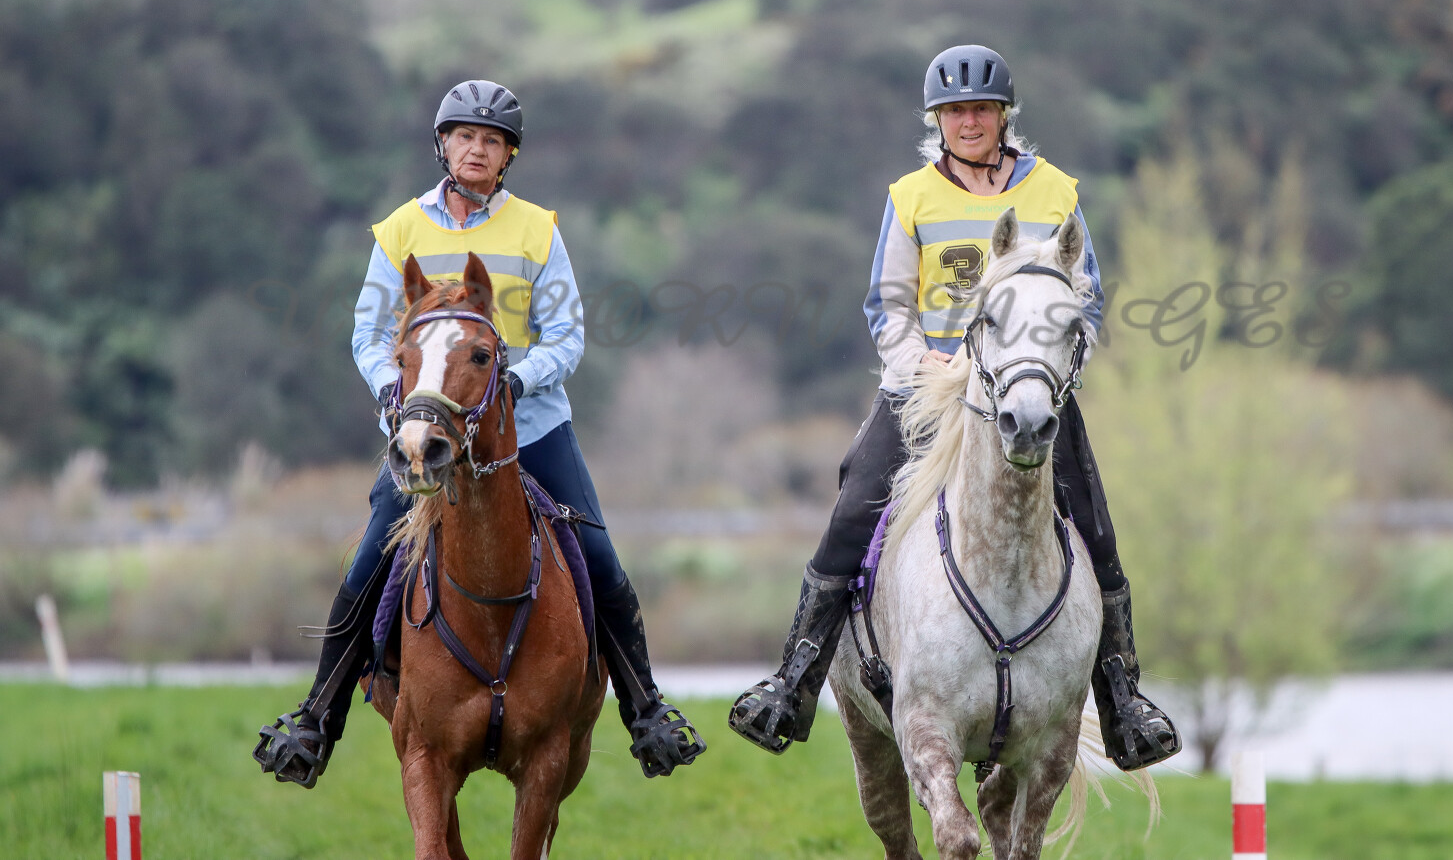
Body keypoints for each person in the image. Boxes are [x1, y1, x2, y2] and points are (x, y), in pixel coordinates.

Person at [727, 45, 1182, 771]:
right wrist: (924, 366)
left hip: (1029, 390)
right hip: (929, 393)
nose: (969, 122)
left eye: (981, 110)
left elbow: (1087, 298)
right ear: (936, 121)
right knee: (854, 507)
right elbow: (888, 305)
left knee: (1095, 529)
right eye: (955, 112)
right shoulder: (911, 197)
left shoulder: (1056, 191)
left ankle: (1123, 701)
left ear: (1004, 116)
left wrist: (1050, 370)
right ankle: (793, 682)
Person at [256, 79, 705, 786]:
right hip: (428, 432)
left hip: (529, 428)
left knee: (598, 555)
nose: (477, 149)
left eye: (492, 141)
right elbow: (368, 334)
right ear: (442, 144)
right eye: (464, 136)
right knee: (370, 559)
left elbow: (567, 336)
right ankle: (317, 719)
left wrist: (516, 383)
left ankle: (646, 713)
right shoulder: (400, 230)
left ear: (508, 156)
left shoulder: (537, 230)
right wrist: (393, 393)